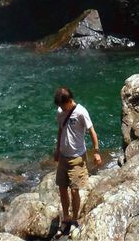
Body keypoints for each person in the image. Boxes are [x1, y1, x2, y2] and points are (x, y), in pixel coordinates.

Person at [53, 86, 101, 235]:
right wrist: (57, 148)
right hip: (63, 157)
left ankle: (74, 219)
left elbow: (92, 131)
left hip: (77, 158)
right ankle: (66, 217)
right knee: (62, 188)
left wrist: (96, 152)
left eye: (62, 105)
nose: (61, 108)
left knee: (74, 190)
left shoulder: (81, 112)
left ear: (69, 101)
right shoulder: (61, 112)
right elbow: (61, 130)